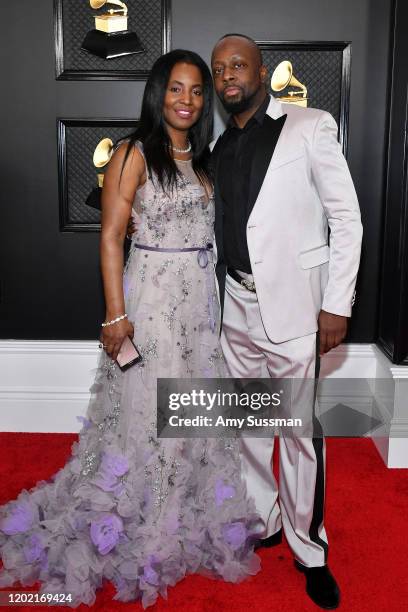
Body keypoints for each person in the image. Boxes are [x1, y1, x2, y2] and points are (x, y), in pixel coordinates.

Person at [0, 50, 261, 608]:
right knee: (149, 409)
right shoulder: (132, 152)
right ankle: (146, 511)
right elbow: (111, 238)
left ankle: (176, 498)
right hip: (152, 300)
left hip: (197, 305)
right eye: (176, 89)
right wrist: (116, 315)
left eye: (196, 90)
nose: (187, 99)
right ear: (157, 94)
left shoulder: (204, 158)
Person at [210, 34, 363, 610]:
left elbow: (347, 220)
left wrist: (337, 304)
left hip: (298, 309)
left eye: (239, 65)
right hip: (237, 307)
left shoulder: (310, 125)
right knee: (250, 426)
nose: (229, 76)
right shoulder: (220, 146)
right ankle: (266, 518)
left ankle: (310, 548)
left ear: (262, 71)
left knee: (298, 434)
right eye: (220, 68)